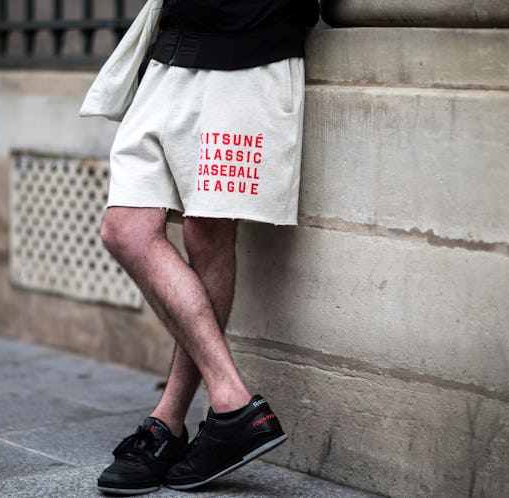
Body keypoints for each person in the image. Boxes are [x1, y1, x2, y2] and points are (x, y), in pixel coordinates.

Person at [96, 0, 320, 494]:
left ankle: (173, 422)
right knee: (125, 230)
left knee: (206, 234)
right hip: (170, 52)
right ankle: (233, 406)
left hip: (248, 56)